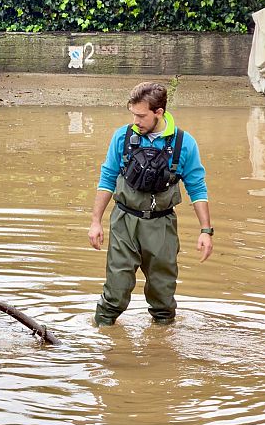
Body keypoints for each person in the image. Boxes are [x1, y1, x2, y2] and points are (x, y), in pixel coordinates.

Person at [88, 82, 213, 325]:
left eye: (141, 115)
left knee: (162, 295)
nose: (135, 121)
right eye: (133, 114)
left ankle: (163, 339)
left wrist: (205, 231)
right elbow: (107, 178)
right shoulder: (122, 137)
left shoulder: (184, 143)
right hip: (124, 221)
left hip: (162, 224)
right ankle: (102, 334)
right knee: (115, 291)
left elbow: (197, 187)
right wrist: (95, 222)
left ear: (159, 112)